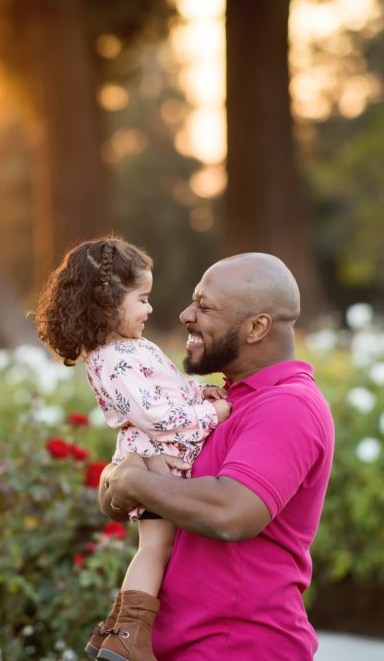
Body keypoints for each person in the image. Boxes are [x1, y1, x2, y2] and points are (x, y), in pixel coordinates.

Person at [99, 252, 335, 660]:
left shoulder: (287, 406)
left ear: (257, 327)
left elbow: (232, 512)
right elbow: (118, 490)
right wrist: (122, 483)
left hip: (240, 648)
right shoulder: (212, 404)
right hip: (178, 646)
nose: (185, 315)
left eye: (205, 306)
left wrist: (133, 482)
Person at [34, 238, 232, 661]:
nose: (150, 309)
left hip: (157, 452)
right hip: (155, 456)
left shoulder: (124, 351)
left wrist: (199, 394)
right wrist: (213, 416)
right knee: (154, 547)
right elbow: (156, 415)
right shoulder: (113, 359)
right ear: (107, 304)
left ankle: (113, 631)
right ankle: (127, 637)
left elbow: (167, 392)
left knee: (160, 547)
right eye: (142, 299)